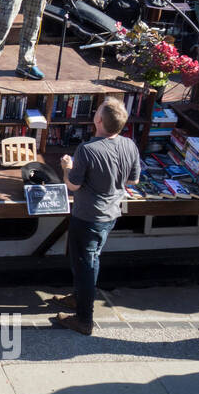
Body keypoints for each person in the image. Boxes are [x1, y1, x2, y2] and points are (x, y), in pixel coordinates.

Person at [54, 98, 141, 336]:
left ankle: (84, 319)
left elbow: (72, 185)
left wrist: (66, 166)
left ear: (99, 120)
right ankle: (79, 297)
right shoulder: (130, 145)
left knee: (85, 265)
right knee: (89, 260)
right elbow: (133, 180)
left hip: (88, 217)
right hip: (110, 214)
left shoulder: (87, 150)